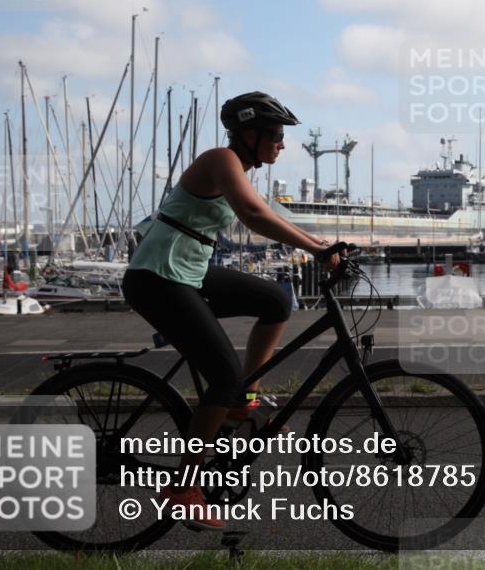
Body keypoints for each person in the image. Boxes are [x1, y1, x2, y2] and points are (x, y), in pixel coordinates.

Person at [121, 91, 339, 530]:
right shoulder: (221, 159)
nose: (281, 143)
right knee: (221, 375)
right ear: (249, 133)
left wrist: (320, 245)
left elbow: (270, 215)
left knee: (277, 300)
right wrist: (314, 250)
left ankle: (244, 399)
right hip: (158, 277)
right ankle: (183, 488)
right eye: (276, 135)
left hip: (187, 272)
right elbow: (253, 214)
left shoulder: (239, 168)